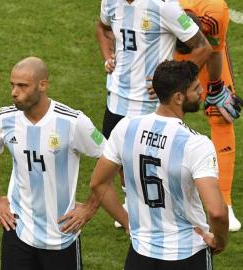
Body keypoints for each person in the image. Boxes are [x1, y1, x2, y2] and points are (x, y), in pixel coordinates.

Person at [90, 60, 229, 269]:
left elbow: (97, 184)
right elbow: (217, 211)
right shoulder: (196, 144)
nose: (201, 91)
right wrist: (220, 240)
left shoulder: (126, 127)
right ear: (178, 98)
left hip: (140, 254)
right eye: (195, 88)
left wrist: (127, 221)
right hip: (186, 254)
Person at [0, 57, 110, 270]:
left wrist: (89, 207)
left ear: (43, 85)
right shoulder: (5, 119)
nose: (14, 92)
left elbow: (109, 159)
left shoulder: (73, 122)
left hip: (61, 234)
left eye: (22, 86)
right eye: (12, 85)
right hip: (17, 229)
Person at [96, 0, 213, 228]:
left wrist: (175, 80)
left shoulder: (164, 6)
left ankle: (168, 211)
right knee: (117, 159)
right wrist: (107, 57)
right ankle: (133, 200)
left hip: (148, 104)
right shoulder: (109, 2)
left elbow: (203, 47)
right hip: (117, 99)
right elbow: (103, 28)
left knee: (155, 162)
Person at [173, 0, 241, 232]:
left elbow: (212, 48)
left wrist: (215, 87)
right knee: (157, 111)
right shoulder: (158, 5)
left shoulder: (214, 11)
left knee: (220, 114)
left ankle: (224, 200)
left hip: (207, 50)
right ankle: (138, 196)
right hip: (165, 49)